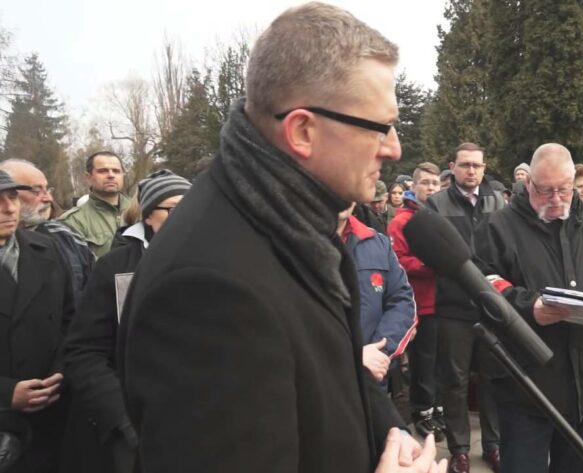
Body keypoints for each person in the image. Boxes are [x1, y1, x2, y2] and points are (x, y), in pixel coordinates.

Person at [116, 4, 446, 472]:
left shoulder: (293, 222)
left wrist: (392, 434)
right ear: (303, 131)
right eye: (380, 127)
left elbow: (334, 375)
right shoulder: (208, 290)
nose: (394, 148)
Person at [477, 144, 583, 473]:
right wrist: (529, 306)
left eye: (564, 189)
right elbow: (484, 284)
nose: (555, 199)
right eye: (545, 190)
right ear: (528, 183)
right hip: (527, 386)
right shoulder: (498, 227)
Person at [61, 170, 191, 473]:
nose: (186, 217)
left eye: (192, 207)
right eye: (173, 209)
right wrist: (122, 417)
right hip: (132, 430)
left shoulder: (215, 260)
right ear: (147, 215)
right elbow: (83, 351)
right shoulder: (115, 267)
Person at [427, 142, 504, 472]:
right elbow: (433, 252)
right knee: (454, 381)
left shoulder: (497, 201)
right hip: (453, 305)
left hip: (490, 306)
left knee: (493, 378)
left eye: (477, 165)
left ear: (484, 168)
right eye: (465, 165)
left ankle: (494, 444)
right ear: (453, 167)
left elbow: (504, 247)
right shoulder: (437, 203)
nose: (471, 170)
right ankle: (459, 448)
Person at [0, 170, 75, 473]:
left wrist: (61, 371)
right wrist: (7, 393)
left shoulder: (46, 248)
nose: (9, 208)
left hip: (52, 412)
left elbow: (71, 318)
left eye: (13, 197)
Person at [388, 163, 445, 441]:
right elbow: (399, 259)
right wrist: (432, 265)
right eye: (425, 183)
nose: (431, 188)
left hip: (446, 303)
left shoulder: (441, 216)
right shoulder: (400, 222)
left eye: (435, 183)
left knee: (441, 361)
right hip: (420, 303)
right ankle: (422, 411)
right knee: (423, 361)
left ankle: (438, 407)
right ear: (414, 186)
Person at [338, 203, 416, 384]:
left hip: (372, 378)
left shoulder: (377, 242)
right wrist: (352, 357)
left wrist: (379, 351)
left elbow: (402, 301)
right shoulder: (289, 243)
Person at [0, 160, 95, 300]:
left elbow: (93, 291)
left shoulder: (66, 236)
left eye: (47, 190)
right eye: (36, 191)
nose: (48, 198)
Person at [59, 152, 129, 258]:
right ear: (88, 177)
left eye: (116, 171)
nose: (111, 175)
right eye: (103, 171)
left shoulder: (142, 210)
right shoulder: (73, 221)